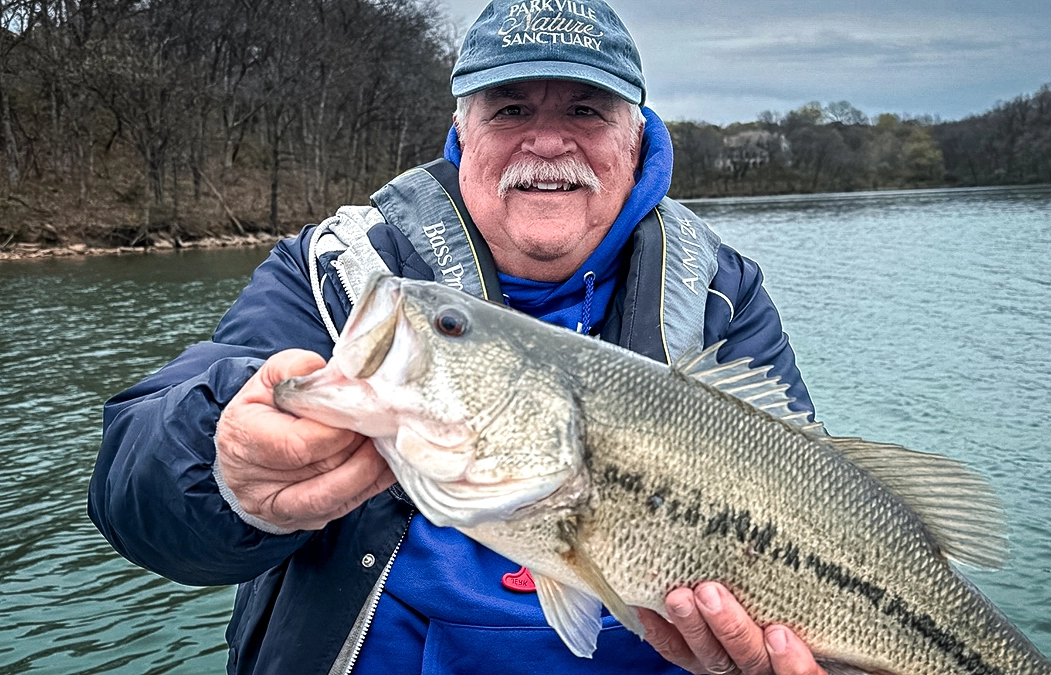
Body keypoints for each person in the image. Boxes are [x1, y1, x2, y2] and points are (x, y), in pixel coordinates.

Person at [88, 1, 826, 674]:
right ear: (461, 134)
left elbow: (816, 492)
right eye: (508, 109)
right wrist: (225, 463)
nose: (545, 140)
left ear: (636, 139)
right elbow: (135, 478)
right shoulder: (345, 278)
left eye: (585, 109)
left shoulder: (723, 293)